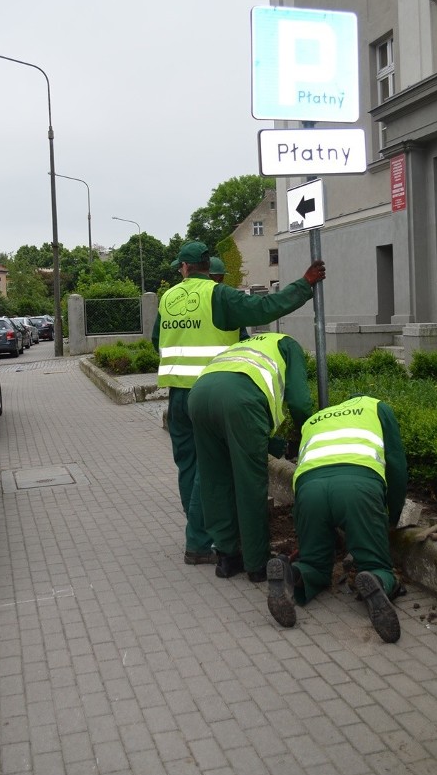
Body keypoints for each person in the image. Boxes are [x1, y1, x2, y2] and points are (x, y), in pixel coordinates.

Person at [152, 240, 325, 567]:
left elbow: (155, 342)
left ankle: (200, 537)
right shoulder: (219, 295)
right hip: (215, 390)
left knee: (190, 466)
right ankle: (201, 541)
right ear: (209, 269)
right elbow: (265, 308)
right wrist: (304, 286)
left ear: (186, 267)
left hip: (178, 395)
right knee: (210, 467)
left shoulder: (168, 297)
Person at [266, 394, 408, 642]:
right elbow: (396, 466)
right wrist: (392, 516)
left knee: (314, 564)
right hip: (357, 488)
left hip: (309, 492)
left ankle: (292, 575)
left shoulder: (315, 419)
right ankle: (374, 578)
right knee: (375, 562)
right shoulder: (377, 408)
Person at [188, 332, 314, 582]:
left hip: (199, 395)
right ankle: (257, 564)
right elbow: (299, 402)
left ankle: (227, 558)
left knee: (215, 478)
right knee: (250, 482)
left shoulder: (246, 345)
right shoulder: (289, 344)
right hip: (240, 401)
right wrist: (309, 432)